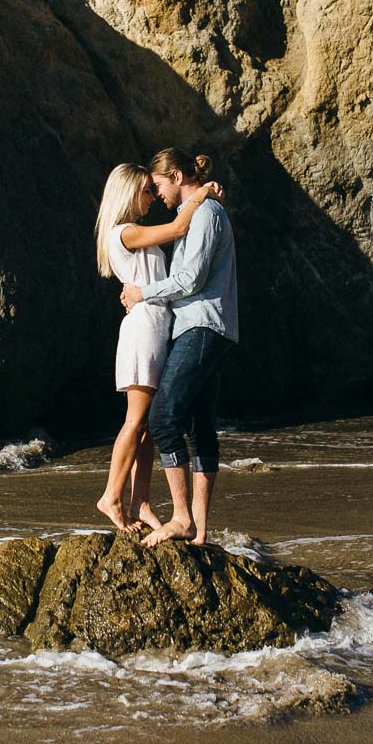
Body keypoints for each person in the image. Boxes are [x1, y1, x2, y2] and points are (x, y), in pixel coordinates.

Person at [92, 162, 221, 535]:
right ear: (130, 192)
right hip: (144, 330)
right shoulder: (125, 232)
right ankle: (111, 497)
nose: (153, 197)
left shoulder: (129, 233)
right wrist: (204, 193)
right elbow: (179, 227)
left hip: (154, 325)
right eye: (147, 191)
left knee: (147, 423)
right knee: (136, 420)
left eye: (153, 189)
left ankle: (141, 502)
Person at [121, 148, 238, 547]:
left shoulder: (205, 214)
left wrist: (142, 294)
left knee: (163, 417)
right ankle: (200, 532)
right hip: (211, 327)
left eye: (157, 186)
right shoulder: (198, 212)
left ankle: (183, 518)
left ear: (174, 175)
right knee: (201, 426)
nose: (158, 196)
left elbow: (189, 280)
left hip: (202, 326)